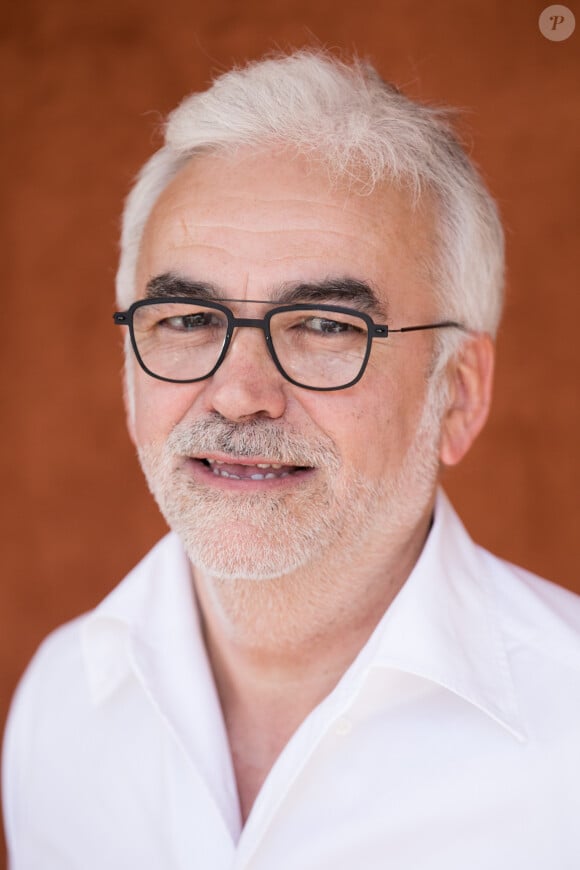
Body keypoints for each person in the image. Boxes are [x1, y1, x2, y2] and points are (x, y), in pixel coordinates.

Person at [3, 50, 580, 870]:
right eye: (187, 318)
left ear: (457, 394)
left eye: (324, 326)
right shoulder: (61, 707)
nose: (238, 394)